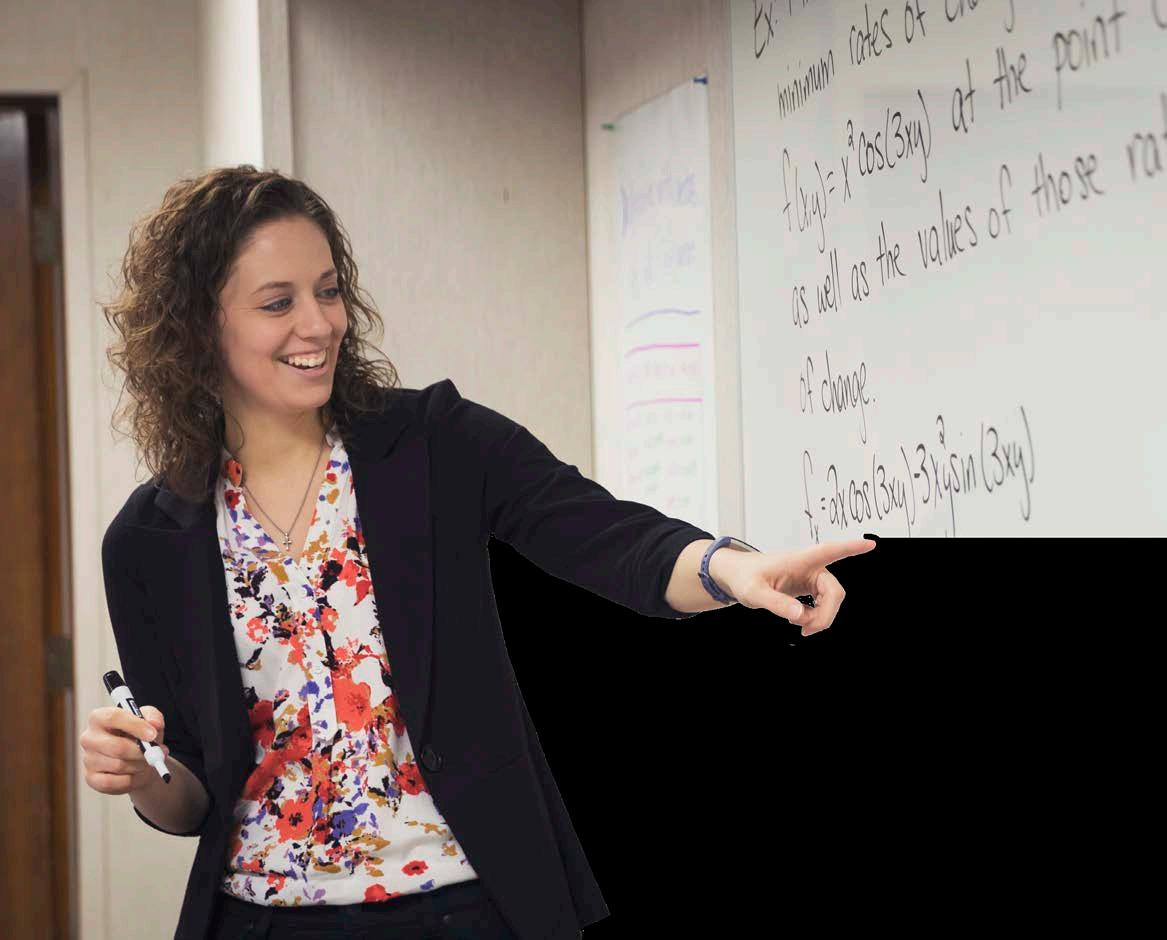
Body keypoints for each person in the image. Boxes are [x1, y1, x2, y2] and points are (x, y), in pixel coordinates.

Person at [80, 165, 868, 940]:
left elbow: (608, 537)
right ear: (197, 327)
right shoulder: (148, 542)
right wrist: (142, 775)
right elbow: (189, 796)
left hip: (461, 907)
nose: (318, 325)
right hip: (258, 918)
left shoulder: (435, 443)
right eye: (277, 303)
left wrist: (731, 568)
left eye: (328, 290)